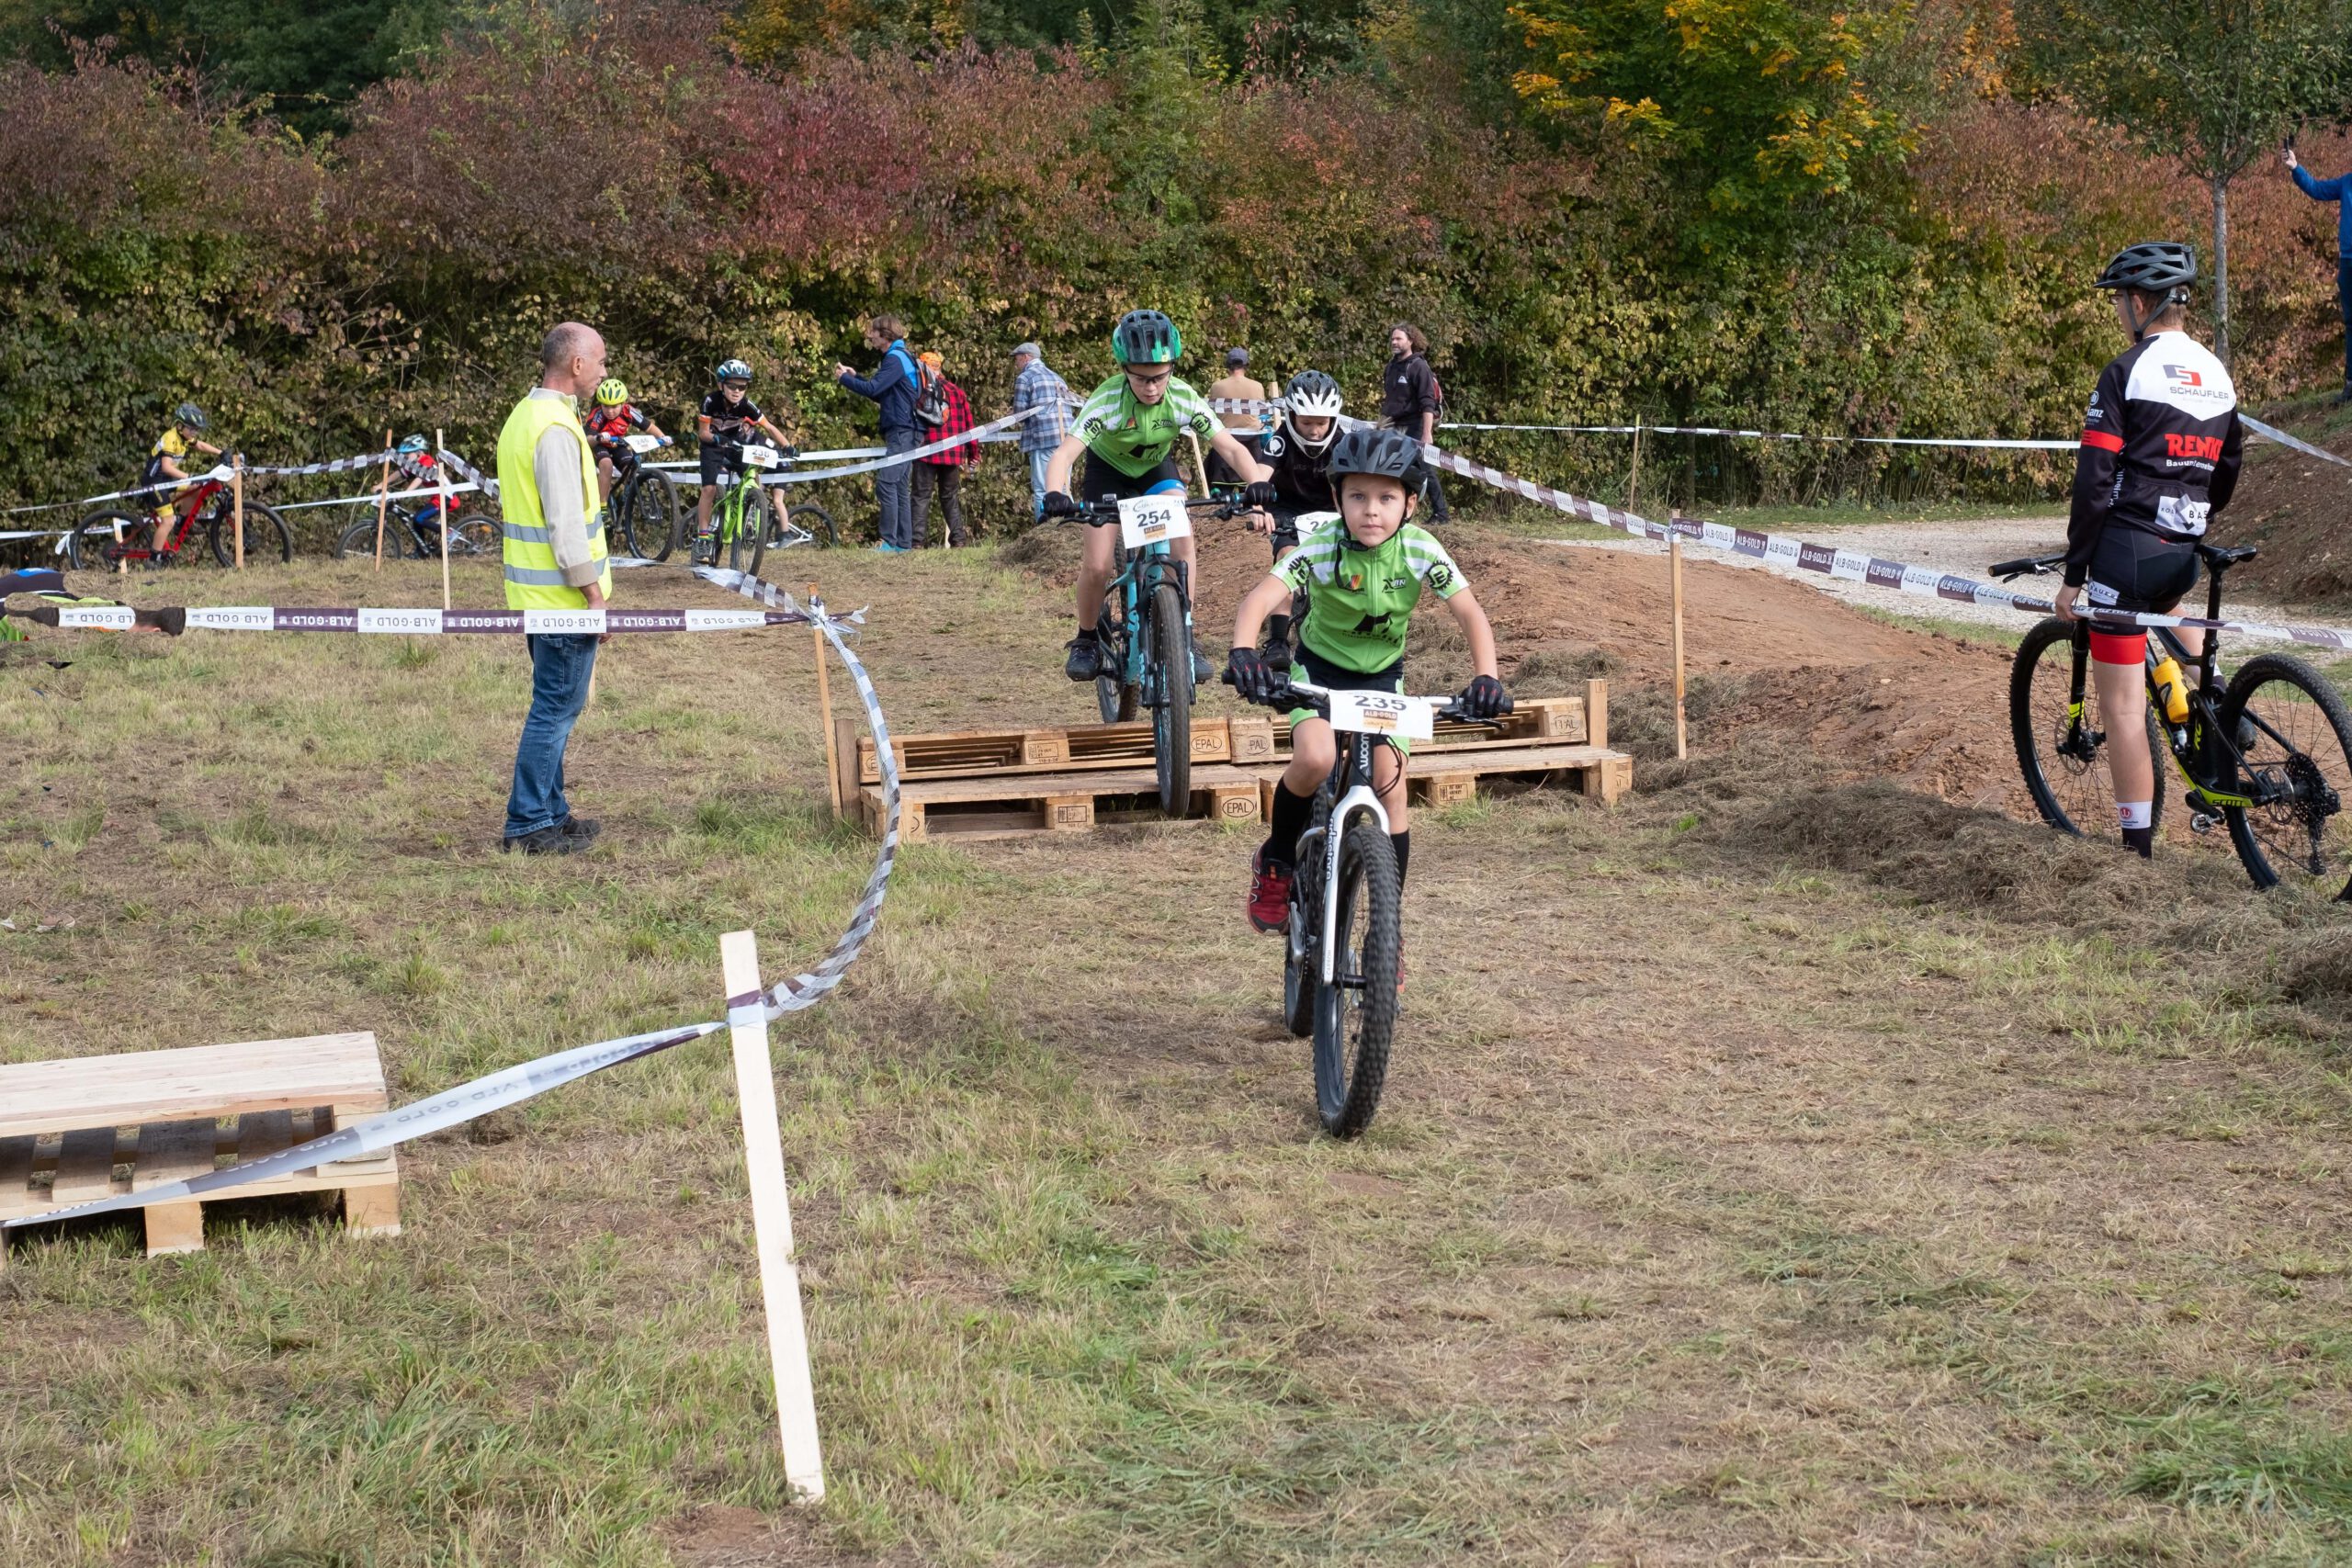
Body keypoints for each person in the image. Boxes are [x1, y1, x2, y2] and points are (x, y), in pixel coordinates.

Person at [1225, 426, 1506, 935]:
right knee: (1315, 758)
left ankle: (1385, 929)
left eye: (1385, 498)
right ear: (1337, 499)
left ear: (1410, 505)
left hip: (1382, 680)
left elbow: (1470, 613)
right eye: (1357, 496)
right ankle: (1276, 862)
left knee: (1390, 787)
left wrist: (1486, 676)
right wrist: (1244, 651)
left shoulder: (1421, 550)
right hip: (1320, 674)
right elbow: (1261, 598)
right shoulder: (1322, 546)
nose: (1370, 510)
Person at [2054, 242, 2243, 858]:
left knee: (2125, 710)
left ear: (2140, 303)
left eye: (2118, 302)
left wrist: (2073, 573)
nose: (2117, 314)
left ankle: (2137, 853)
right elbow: (2229, 466)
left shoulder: (2126, 370)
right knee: (2168, 606)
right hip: (2182, 546)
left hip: (2125, 554)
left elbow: (2094, 480)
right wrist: (2195, 516)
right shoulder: (2216, 373)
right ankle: (2218, 695)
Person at [1041, 310, 1275, 683]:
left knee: (1183, 546)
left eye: (1159, 377)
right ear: (1124, 370)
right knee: (1099, 565)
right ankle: (1086, 638)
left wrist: (1255, 488)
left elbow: (1230, 448)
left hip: (1155, 470)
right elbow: (1065, 454)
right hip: (1107, 473)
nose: (1151, 387)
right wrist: (1056, 492)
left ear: (1171, 369)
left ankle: (1185, 633)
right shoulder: (1106, 401)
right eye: (1141, 378)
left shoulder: (1183, 398)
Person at [497, 321, 616, 856]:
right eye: (601, 361)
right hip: (563, 602)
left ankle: (552, 811)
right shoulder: (554, 429)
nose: (605, 371)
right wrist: (595, 600)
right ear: (576, 366)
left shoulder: (527, 416)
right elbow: (566, 529)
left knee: (556, 705)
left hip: (538, 598)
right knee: (555, 710)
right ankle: (527, 823)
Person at [1246, 369, 1348, 665]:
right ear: (1291, 417)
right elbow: (1260, 477)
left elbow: (1347, 487)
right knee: (1287, 559)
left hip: (1331, 510)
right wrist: (1257, 508)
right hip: (1288, 510)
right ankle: (1277, 641)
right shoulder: (1280, 441)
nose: (1315, 430)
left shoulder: (1342, 442)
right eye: (1306, 423)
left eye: (1321, 422)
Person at [834, 316, 923, 553]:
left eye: (873, 332)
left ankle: (889, 542)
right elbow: (880, 393)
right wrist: (856, 378)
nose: (869, 336)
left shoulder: (895, 359)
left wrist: (844, 379)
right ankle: (903, 544)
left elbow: (874, 389)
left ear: (885, 335)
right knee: (899, 486)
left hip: (902, 430)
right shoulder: (901, 357)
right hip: (908, 429)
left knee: (886, 483)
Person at [694, 359, 796, 558]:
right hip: (712, 445)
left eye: (742, 386)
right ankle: (703, 536)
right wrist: (715, 438)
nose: (737, 391)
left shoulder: (747, 405)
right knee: (709, 489)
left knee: (752, 475)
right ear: (721, 385)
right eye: (732, 385)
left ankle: (751, 509)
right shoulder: (710, 401)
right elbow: (702, 433)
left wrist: (787, 446)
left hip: (735, 444)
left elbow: (770, 427)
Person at [2285, 146, 2352, 401]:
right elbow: (2317, 189)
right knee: (2351, 323)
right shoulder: (2346, 182)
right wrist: (2296, 168)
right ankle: (2350, 384)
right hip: (2348, 262)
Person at [1380, 323, 1449, 525]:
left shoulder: (1418, 366)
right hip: (1391, 424)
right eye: (1392, 339)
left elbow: (1428, 402)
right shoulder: (1391, 366)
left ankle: (1441, 514)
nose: (1394, 342)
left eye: (1399, 339)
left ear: (1411, 341)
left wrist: (1426, 434)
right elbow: (1390, 399)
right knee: (1388, 466)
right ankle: (1397, 510)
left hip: (1414, 424)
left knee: (1424, 468)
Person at [910, 352, 978, 547]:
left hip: (926, 452)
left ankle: (916, 542)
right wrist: (974, 454)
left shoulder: (920, 390)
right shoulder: (957, 391)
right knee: (950, 497)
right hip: (953, 453)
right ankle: (958, 540)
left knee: (921, 496)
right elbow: (969, 425)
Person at [141, 402, 224, 549]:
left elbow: (200, 445)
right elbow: (166, 467)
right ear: (180, 426)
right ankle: (153, 560)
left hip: (166, 480)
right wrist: (189, 475)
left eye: (197, 429)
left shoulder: (183, 436)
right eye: (192, 428)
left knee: (197, 487)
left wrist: (221, 453)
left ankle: (182, 523)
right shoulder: (170, 438)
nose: (195, 433)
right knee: (167, 521)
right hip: (154, 483)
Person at [582, 378, 670, 507]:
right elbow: (588, 439)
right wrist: (597, 438)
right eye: (605, 406)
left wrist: (663, 437)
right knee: (606, 464)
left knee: (631, 469)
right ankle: (602, 506)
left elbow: (649, 427)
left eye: (614, 406)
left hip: (617, 445)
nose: (610, 411)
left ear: (623, 404)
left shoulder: (628, 411)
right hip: (598, 445)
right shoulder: (598, 414)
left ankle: (627, 506)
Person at [1012, 342, 1074, 519]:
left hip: (1042, 439)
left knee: (1041, 487)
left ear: (1026, 357)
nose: (1016, 364)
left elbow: (1020, 414)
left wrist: (1013, 413)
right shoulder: (1057, 377)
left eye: (1017, 359)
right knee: (1063, 486)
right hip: (1066, 439)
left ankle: (1043, 530)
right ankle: (1070, 527)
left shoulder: (1025, 378)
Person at [1205, 347, 1270, 491]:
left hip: (1226, 441)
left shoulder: (1217, 386)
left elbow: (1213, 413)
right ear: (1246, 365)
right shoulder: (1257, 386)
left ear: (1228, 366)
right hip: (1251, 441)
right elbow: (1261, 415)